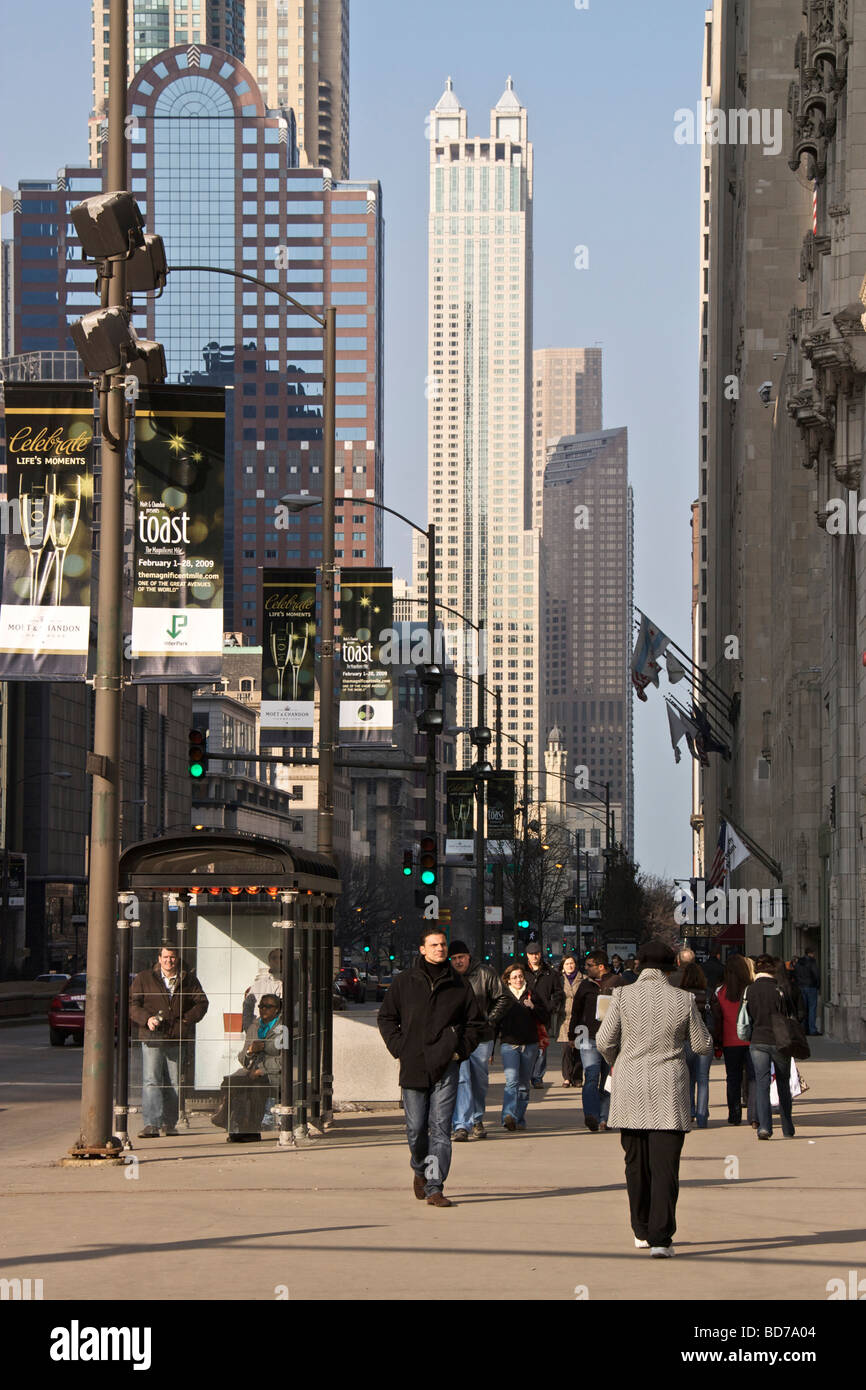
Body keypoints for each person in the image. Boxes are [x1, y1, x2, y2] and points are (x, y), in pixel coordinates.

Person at [596, 939, 713, 1257]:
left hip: (630, 1087)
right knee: (665, 1167)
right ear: (669, 968)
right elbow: (701, 1045)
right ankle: (661, 1239)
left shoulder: (621, 995)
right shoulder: (683, 999)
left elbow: (604, 1039)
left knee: (635, 1164)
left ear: (639, 966)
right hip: (668, 1091)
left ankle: (641, 1229)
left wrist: (616, 1059)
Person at [378, 926, 484, 1207]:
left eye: (443, 945)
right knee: (415, 1128)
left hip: (446, 1066)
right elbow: (387, 1018)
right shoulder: (405, 982)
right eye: (434, 945)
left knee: (440, 1128)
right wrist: (399, 1047)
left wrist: (458, 1051)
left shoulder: (459, 985)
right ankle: (419, 1168)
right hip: (413, 1065)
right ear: (422, 949)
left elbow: (475, 1024)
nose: (440, 949)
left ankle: (434, 1186)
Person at [129, 946, 209, 1138]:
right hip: (152, 1036)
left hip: (176, 1036)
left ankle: (169, 1123)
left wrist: (186, 1021)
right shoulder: (144, 978)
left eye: (172, 957)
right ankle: (151, 1124)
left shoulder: (188, 979)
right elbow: (132, 1004)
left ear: (177, 958)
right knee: (152, 1080)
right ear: (159, 958)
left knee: (174, 1082)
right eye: (165, 957)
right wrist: (146, 1019)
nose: (169, 961)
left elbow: (202, 1003)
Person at [448, 939, 509, 1141]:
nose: (458, 962)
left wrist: (489, 1020)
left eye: (461, 957)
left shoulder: (485, 973)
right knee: (463, 1079)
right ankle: (461, 1124)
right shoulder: (448, 977)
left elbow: (503, 997)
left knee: (479, 1080)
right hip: (459, 1036)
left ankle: (476, 1118)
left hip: (482, 1036)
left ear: (468, 957)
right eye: (454, 958)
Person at [210, 994, 283, 1141]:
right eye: (261, 1006)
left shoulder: (283, 1029)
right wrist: (250, 1051)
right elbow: (243, 1057)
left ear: (277, 1010)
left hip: (275, 1074)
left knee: (254, 1087)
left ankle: (249, 1130)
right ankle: (236, 1126)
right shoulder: (254, 1027)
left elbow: (285, 1060)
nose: (263, 1009)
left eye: (268, 1006)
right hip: (253, 1071)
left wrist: (261, 1070)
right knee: (231, 1083)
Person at [746, 953, 797, 1140]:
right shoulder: (780, 989)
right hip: (780, 1040)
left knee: (762, 1084)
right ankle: (787, 1127)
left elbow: (748, 1016)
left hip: (758, 1040)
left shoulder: (750, 990)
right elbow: (793, 1013)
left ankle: (764, 1127)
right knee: (783, 1083)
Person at [568, 950, 619, 1131]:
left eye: (590, 965)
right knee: (591, 1076)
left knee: (608, 1080)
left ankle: (605, 1118)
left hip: (612, 1039)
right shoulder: (585, 986)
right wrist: (572, 1036)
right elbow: (576, 1011)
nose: (586, 968)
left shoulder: (618, 983)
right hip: (588, 1038)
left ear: (601, 967)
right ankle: (591, 1115)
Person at [497, 962, 547, 1131]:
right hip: (509, 1045)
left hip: (529, 1045)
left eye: (520, 976)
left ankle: (518, 1118)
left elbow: (545, 1015)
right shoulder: (503, 996)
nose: (518, 980)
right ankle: (508, 1116)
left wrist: (533, 1007)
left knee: (524, 1084)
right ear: (508, 980)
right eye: (514, 977)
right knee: (512, 1081)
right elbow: (495, 1021)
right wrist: (490, 1048)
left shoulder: (532, 994)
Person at [708, 953, 756, 1126]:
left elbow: (716, 1019)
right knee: (753, 1078)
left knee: (732, 1078)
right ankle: (754, 1115)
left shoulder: (720, 992)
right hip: (751, 1040)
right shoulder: (750, 990)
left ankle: (734, 1114)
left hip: (729, 1041)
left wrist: (717, 1041)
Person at [523, 944, 564, 1087]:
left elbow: (558, 993)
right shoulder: (522, 971)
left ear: (540, 954)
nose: (534, 956)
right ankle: (526, 1074)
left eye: (536, 953)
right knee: (526, 1046)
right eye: (531, 953)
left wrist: (550, 1006)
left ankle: (537, 1077)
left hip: (542, 1013)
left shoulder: (550, 973)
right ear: (527, 955)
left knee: (541, 1047)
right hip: (525, 1014)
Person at [677, 959, 711, 1127]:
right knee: (703, 1079)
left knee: (688, 1078)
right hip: (704, 1039)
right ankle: (702, 1115)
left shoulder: (680, 995)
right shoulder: (707, 994)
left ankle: (689, 1112)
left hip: (686, 1040)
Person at [558, 955, 584, 1087]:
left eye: (572, 963)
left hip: (580, 1018)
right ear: (563, 966)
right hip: (565, 1018)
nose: (570, 966)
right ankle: (567, 1077)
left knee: (579, 1049)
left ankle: (578, 1077)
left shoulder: (583, 979)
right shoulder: (559, 980)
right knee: (566, 1050)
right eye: (567, 963)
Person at [242, 948, 282, 1031]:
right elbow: (247, 1007)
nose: (278, 960)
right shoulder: (259, 985)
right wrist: (249, 1030)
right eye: (274, 958)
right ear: (269, 961)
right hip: (259, 1033)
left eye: (281, 957)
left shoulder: (294, 983)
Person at [793, 948, 820, 1034]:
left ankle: (804, 1028)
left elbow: (795, 974)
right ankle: (812, 1029)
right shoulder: (812, 962)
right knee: (812, 1008)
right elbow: (816, 974)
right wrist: (817, 985)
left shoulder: (798, 963)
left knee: (803, 1008)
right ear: (810, 953)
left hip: (801, 987)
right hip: (811, 987)